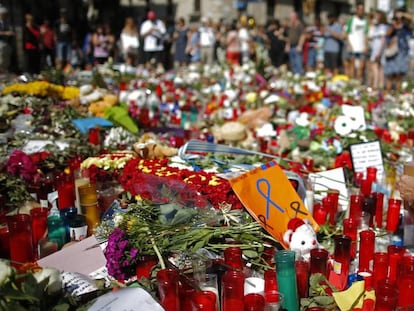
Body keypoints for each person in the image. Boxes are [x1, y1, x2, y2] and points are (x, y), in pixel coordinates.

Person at [384, 15, 412, 91]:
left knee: (399, 75)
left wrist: (403, 15)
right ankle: (388, 92)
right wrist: (393, 26)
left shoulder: (405, 27)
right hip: (391, 54)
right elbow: (386, 36)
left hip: (402, 54)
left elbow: (411, 20)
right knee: (390, 75)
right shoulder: (391, 27)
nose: (398, 20)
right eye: (396, 19)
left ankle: (397, 92)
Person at [345, 2, 369, 80]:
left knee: (361, 68)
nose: (360, 11)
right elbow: (347, 33)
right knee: (352, 66)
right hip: (353, 46)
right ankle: (352, 84)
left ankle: (359, 83)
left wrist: (366, 46)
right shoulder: (351, 19)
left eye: (362, 9)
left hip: (361, 47)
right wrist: (349, 44)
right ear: (356, 10)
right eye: (359, 9)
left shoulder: (365, 20)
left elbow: (366, 34)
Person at [368, 10, 388, 90]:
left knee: (376, 66)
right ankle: (379, 85)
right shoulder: (377, 26)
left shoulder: (382, 26)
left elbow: (383, 39)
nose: (375, 17)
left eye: (377, 16)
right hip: (375, 47)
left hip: (378, 48)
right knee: (378, 67)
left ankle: (377, 85)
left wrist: (379, 52)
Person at [0, 6, 14, 73]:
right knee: (1, 59)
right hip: (1, 43)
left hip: (7, 43)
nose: (5, 16)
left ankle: (4, 72)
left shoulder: (7, 23)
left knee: (6, 59)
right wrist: (6, 33)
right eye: (4, 14)